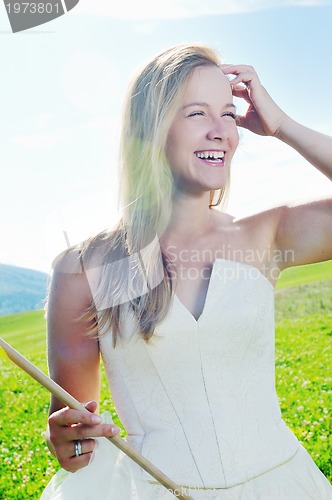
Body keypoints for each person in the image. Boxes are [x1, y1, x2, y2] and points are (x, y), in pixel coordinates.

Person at [41, 43, 332, 499]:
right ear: (152, 129)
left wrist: (282, 126)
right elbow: (75, 436)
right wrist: (69, 437)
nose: (221, 131)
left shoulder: (266, 236)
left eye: (230, 114)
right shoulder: (85, 269)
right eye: (197, 114)